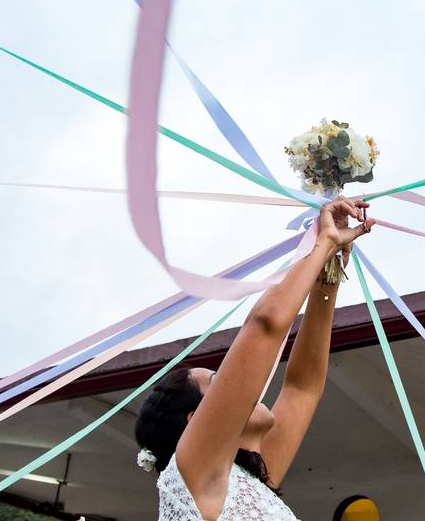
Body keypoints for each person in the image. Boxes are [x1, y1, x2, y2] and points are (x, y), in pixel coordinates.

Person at [134, 197, 375, 520]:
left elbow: (301, 389)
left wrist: (326, 276)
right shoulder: (194, 473)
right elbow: (263, 327)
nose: (238, 381)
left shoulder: (246, 478)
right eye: (219, 382)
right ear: (193, 422)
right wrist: (321, 243)